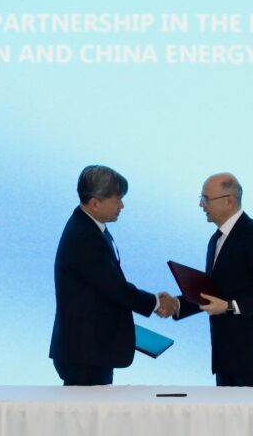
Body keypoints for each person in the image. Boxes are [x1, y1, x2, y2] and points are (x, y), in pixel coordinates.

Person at [49, 165, 179, 386]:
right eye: (117, 200)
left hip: (92, 350)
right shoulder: (84, 236)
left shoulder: (91, 228)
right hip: (84, 354)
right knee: (88, 409)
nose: (122, 206)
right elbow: (115, 288)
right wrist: (157, 303)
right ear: (95, 202)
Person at [173, 172, 253, 387]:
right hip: (225, 355)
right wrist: (177, 305)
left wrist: (229, 307)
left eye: (206, 199)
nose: (201, 205)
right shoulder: (216, 239)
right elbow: (214, 292)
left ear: (229, 201)